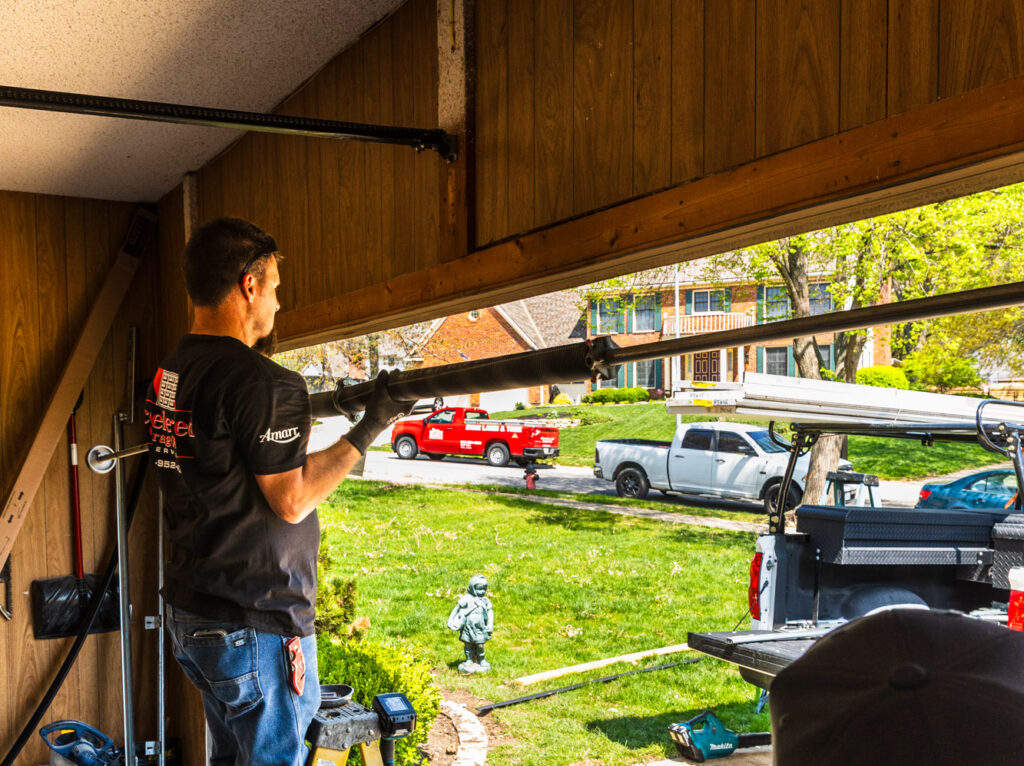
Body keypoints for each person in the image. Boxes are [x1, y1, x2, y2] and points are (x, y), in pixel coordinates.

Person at [144, 217, 414, 766]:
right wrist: (371, 426)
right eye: (274, 289)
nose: (278, 306)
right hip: (256, 623)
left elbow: (239, 465)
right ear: (249, 285)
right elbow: (292, 498)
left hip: (194, 615)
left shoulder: (170, 372)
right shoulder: (263, 383)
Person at [446, 574, 494, 673]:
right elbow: (456, 609)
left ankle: (481, 660)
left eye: (484, 589)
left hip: (480, 628)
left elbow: (490, 612)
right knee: (468, 645)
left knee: (480, 645)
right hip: (468, 627)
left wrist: (490, 625)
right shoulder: (466, 599)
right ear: (472, 587)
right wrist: (451, 621)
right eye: (479, 589)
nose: (482, 592)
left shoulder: (485, 600)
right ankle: (469, 660)